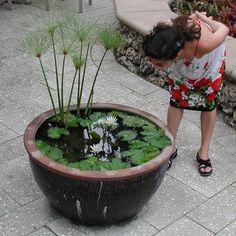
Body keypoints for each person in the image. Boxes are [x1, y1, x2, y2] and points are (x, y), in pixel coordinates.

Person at [142, 11, 229, 176]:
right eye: (152, 62)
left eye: (159, 64)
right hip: (181, 62)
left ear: (176, 55)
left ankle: (203, 151)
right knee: (177, 99)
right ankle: (170, 145)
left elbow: (224, 29)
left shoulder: (204, 43)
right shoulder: (167, 32)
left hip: (208, 64)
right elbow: (182, 24)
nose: (154, 66)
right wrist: (191, 20)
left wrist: (205, 20)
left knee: (208, 104)